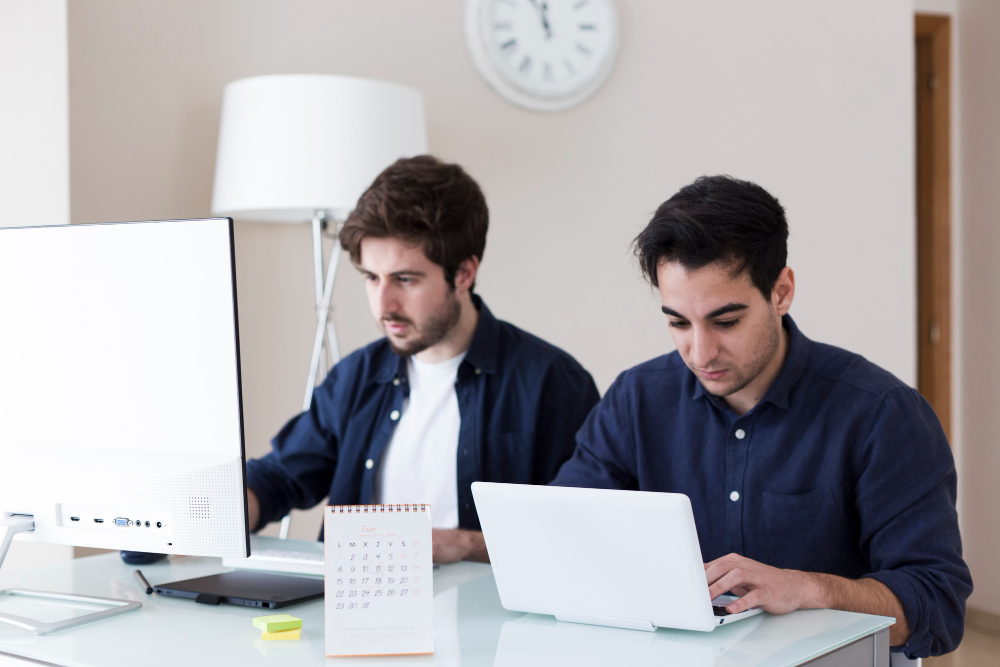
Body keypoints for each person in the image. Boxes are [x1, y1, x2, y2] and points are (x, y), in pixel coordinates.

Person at [551, 175, 971, 659]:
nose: (700, 351)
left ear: (782, 292)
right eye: (678, 323)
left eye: (726, 322)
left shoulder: (881, 413)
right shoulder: (636, 398)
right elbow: (566, 536)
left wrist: (808, 589)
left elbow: (937, 602)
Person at [246, 155, 600, 563]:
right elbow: (276, 479)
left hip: (493, 622)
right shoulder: (355, 377)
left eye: (405, 279)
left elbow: (579, 532)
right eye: (371, 278)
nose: (384, 305)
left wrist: (464, 545)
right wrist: (204, 517)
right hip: (355, 612)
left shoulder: (553, 383)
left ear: (464, 273)